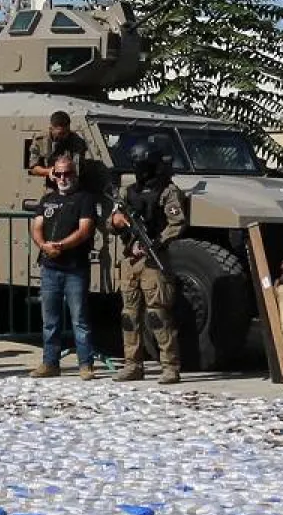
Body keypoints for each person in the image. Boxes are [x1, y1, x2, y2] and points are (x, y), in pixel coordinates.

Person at [109, 136, 187, 385]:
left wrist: (153, 243)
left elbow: (177, 223)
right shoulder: (127, 191)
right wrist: (116, 222)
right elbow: (111, 223)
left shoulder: (168, 190)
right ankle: (132, 364)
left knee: (158, 315)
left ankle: (170, 366)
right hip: (130, 259)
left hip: (154, 259)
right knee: (129, 316)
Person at [28, 153, 97, 380]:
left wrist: (61, 245)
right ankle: (50, 363)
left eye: (67, 173)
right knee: (50, 320)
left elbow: (85, 230)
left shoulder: (84, 199)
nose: (62, 178)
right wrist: (43, 245)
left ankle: (85, 364)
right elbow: (36, 226)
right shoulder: (47, 199)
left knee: (80, 319)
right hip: (49, 267)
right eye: (58, 173)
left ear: (74, 174)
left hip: (74, 268)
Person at [27, 111, 88, 190]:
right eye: (61, 133)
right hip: (51, 185)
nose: (64, 136)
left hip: (71, 185)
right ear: (51, 128)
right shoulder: (40, 141)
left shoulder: (77, 141)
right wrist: (49, 171)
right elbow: (34, 168)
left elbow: (78, 168)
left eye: (67, 132)